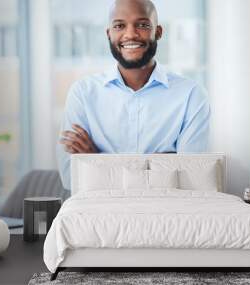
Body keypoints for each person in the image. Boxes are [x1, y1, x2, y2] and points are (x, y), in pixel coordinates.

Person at [57, 0, 210, 190]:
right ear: (109, 33)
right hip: (98, 215)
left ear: (158, 32)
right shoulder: (82, 94)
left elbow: (189, 180)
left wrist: (96, 160)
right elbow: (71, 179)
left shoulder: (191, 95)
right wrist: (162, 166)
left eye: (143, 25)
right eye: (119, 25)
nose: (130, 34)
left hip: (166, 215)